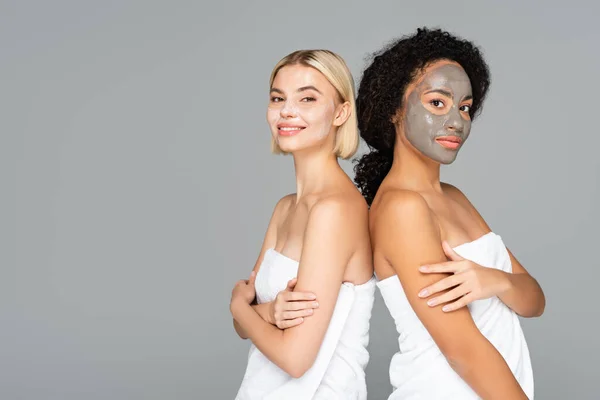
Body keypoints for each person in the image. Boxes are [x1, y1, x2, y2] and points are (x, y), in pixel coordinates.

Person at [354, 28, 545, 399]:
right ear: (395, 108)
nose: (456, 120)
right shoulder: (402, 208)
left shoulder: (453, 197)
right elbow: (463, 352)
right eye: (437, 103)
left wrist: (496, 281)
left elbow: (534, 301)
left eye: (465, 107)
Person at [230, 49, 376, 400]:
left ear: (341, 112)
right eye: (278, 98)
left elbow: (295, 359)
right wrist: (266, 311)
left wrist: (238, 307)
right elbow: (245, 325)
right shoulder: (285, 209)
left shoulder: (335, 210)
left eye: (307, 98)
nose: (287, 111)